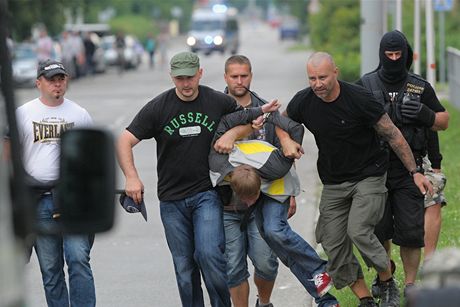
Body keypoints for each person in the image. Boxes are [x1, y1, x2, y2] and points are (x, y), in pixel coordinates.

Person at [116, 51, 280, 307]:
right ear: (172, 78)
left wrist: (231, 135)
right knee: (184, 267)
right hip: (171, 200)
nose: (186, 84)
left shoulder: (216, 101)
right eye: (180, 78)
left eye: (190, 77)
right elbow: (125, 140)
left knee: (209, 255)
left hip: (206, 194)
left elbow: (250, 122)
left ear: (200, 74)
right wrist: (132, 177)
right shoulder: (159, 107)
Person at [284, 51, 433, 307]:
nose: (317, 84)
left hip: (369, 175)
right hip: (333, 181)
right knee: (332, 242)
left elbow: (393, 135)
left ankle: (386, 281)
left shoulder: (359, 98)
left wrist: (415, 172)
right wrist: (287, 140)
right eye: (312, 78)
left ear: (335, 73)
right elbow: (281, 121)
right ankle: (365, 298)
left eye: (322, 77)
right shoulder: (304, 101)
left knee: (359, 230)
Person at [215, 55, 340, 307]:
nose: (240, 81)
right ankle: (323, 291)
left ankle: (267, 301)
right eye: (234, 76)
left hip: (267, 196)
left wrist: (290, 193)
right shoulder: (216, 108)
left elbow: (285, 147)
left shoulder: (265, 106)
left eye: (244, 75)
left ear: (251, 75)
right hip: (228, 202)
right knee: (234, 265)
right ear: (225, 78)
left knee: (266, 260)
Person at [358, 30, 449, 300]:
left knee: (411, 232)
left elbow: (443, 121)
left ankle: (410, 286)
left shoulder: (419, 86)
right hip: (375, 170)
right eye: (390, 55)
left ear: (406, 54)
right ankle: (385, 278)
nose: (395, 59)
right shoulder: (366, 85)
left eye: (399, 55)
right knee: (379, 229)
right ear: (382, 54)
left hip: (411, 172)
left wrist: (426, 114)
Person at [8, 59, 95, 306]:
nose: (57, 84)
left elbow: (91, 157)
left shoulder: (79, 114)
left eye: (61, 79)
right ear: (39, 83)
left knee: (78, 258)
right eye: (51, 80)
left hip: (73, 199)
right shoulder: (23, 114)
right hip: (39, 200)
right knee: (50, 268)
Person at [422, 131, 447, 263]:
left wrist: (435, 164)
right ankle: (384, 275)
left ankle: (429, 263)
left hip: (422, 155)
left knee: (434, 200)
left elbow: (434, 120)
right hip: (381, 155)